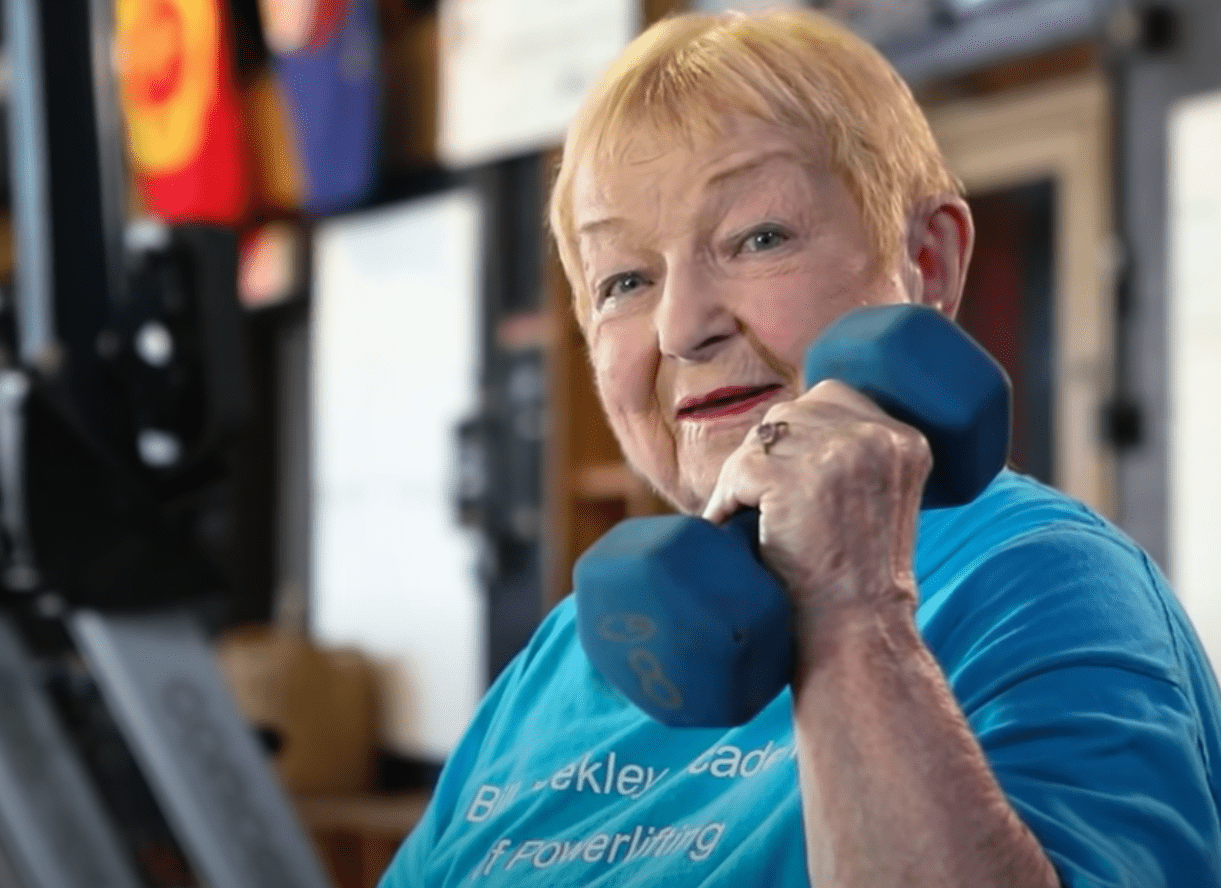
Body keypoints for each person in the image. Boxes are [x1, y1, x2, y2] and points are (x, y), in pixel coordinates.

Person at [380, 9, 1221, 886]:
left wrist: (856, 614)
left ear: (926, 265)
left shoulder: (1046, 581)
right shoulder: (564, 655)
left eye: (757, 238)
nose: (680, 328)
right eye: (626, 280)